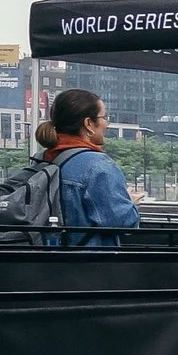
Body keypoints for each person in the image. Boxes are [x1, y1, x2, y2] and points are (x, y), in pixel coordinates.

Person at [43, 89, 142, 247]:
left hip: (43, 264)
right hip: (90, 267)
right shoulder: (98, 166)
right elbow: (124, 223)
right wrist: (130, 204)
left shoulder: (42, 158)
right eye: (104, 117)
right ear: (88, 124)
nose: (107, 124)